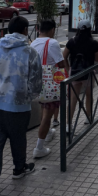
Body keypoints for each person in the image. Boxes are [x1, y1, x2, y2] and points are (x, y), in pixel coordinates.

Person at [0, 16, 42, 196]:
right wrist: (28, 98)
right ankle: (19, 169)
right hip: (18, 105)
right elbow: (36, 82)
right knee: (18, 138)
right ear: (25, 30)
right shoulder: (29, 52)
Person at [30, 20, 69, 158]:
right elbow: (60, 63)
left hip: (37, 82)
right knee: (48, 114)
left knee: (43, 108)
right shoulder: (52, 43)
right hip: (50, 84)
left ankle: (47, 132)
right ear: (52, 29)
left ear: (39, 29)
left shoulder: (33, 42)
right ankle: (39, 147)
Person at [62, 20, 98, 133]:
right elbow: (97, 59)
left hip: (74, 73)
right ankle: (88, 117)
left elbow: (64, 56)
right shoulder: (94, 43)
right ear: (89, 30)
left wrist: (69, 68)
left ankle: (69, 124)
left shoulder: (71, 41)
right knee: (89, 95)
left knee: (73, 98)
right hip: (88, 73)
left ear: (78, 29)